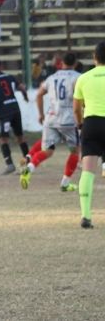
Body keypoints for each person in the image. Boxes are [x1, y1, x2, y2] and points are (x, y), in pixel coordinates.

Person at [20, 53, 81, 191]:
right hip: (69, 119)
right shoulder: (78, 77)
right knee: (75, 151)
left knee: (47, 151)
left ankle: (29, 168)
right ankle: (65, 184)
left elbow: (39, 95)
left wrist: (41, 114)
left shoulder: (52, 77)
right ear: (75, 63)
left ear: (61, 63)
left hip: (51, 118)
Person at [72, 42, 105, 229]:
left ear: (94, 57)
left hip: (91, 124)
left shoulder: (83, 78)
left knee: (88, 171)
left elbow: (76, 108)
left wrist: (80, 124)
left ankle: (86, 216)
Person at [0, 58, 30, 174]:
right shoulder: (10, 77)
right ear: (0, 66)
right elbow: (22, 87)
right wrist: (25, 97)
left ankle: (10, 165)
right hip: (15, 108)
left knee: (3, 138)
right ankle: (29, 163)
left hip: (3, 111)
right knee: (20, 137)